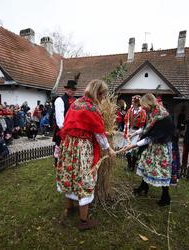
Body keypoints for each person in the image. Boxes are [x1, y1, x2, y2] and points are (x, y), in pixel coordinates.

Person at [56, 79, 115, 230]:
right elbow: (99, 134)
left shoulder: (76, 103)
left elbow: (67, 125)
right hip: (81, 148)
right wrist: (108, 148)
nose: (103, 98)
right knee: (85, 178)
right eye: (103, 95)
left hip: (68, 145)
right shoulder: (92, 109)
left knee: (69, 174)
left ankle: (69, 209)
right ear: (99, 93)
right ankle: (83, 221)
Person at [123, 93, 174, 206]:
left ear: (149, 103)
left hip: (161, 147)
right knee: (146, 165)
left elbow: (152, 137)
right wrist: (134, 134)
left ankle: (166, 197)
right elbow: (147, 128)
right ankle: (143, 187)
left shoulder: (163, 116)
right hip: (153, 145)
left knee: (161, 170)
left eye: (144, 105)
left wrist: (134, 145)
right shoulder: (153, 113)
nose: (143, 108)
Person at [53, 79, 77, 165]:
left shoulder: (75, 101)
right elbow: (59, 117)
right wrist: (64, 129)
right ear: (66, 89)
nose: (72, 91)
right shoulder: (60, 100)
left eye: (74, 89)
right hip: (63, 129)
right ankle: (57, 164)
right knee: (59, 147)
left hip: (72, 129)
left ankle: (67, 164)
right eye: (70, 89)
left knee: (70, 148)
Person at [123, 95, 146, 171]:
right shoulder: (130, 110)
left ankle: (133, 166)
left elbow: (142, 127)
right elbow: (126, 121)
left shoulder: (142, 112)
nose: (132, 102)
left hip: (138, 133)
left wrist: (136, 134)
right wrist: (126, 131)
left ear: (137, 102)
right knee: (127, 148)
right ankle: (129, 165)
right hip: (130, 131)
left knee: (135, 149)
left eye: (133, 101)